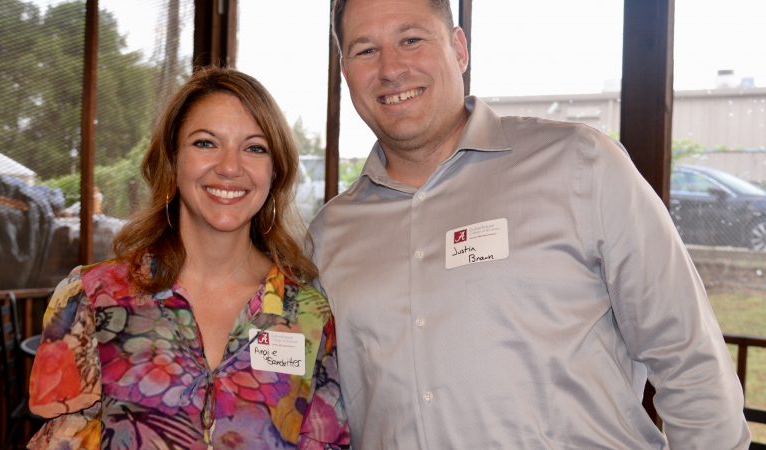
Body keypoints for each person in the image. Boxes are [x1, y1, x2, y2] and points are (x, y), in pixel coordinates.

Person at [308, 0, 751, 448]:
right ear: (345, 72)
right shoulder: (328, 238)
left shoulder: (580, 165)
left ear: (459, 49)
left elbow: (688, 358)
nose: (390, 69)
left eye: (410, 39)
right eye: (366, 50)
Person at [27, 67, 350, 449]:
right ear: (172, 159)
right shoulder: (93, 296)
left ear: (275, 171)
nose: (229, 167)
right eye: (206, 143)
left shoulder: (308, 314)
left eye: (254, 148)